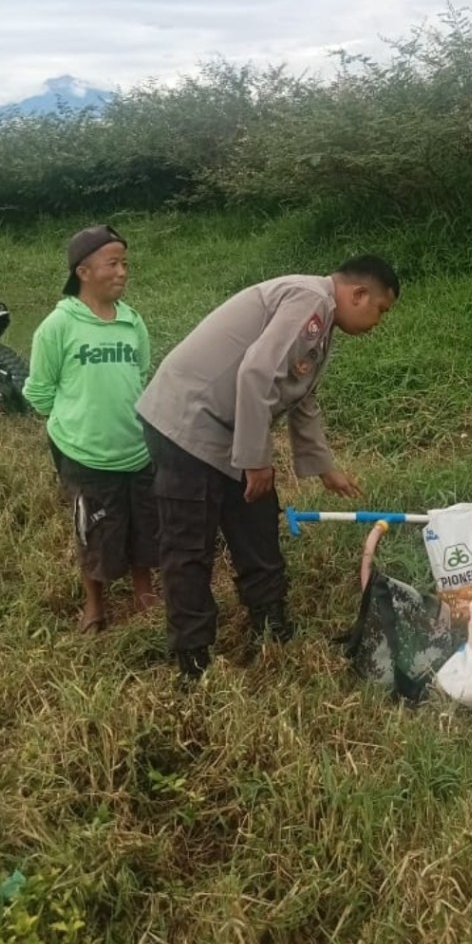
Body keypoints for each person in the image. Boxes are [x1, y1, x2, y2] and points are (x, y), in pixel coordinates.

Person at [136, 255, 400, 682]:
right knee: (189, 545)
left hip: (229, 425)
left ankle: (270, 625)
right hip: (187, 423)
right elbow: (257, 373)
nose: (378, 322)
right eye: (380, 310)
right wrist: (256, 460)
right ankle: (193, 659)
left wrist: (324, 467)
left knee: (256, 521)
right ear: (358, 294)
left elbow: (300, 394)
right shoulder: (311, 300)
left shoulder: (322, 319)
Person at [23, 224, 159, 633]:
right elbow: (39, 392)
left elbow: (140, 373)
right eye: (112, 264)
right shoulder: (58, 326)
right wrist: (77, 422)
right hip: (85, 455)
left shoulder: (132, 322)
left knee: (143, 522)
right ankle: (95, 603)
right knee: (94, 528)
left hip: (136, 449)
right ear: (83, 272)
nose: (122, 272)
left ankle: (144, 590)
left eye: (125, 264)